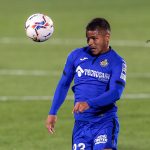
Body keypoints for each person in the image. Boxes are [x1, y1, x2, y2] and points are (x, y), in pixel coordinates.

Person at [46, 18, 127, 150]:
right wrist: (52, 112)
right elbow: (64, 84)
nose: (90, 43)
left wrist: (89, 103)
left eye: (95, 38)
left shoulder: (117, 62)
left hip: (104, 121)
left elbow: (115, 92)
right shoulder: (76, 56)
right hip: (81, 124)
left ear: (107, 37)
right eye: (88, 39)